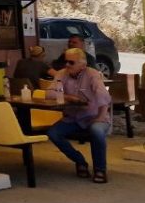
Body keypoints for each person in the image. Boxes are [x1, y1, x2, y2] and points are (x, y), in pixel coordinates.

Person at [46, 48, 113, 183]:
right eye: (66, 62)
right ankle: (79, 160)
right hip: (73, 118)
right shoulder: (61, 74)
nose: (67, 65)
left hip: (94, 115)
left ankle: (100, 169)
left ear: (83, 64)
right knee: (53, 133)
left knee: (96, 131)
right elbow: (49, 93)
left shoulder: (92, 74)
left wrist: (101, 116)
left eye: (71, 62)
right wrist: (68, 97)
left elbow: (103, 95)